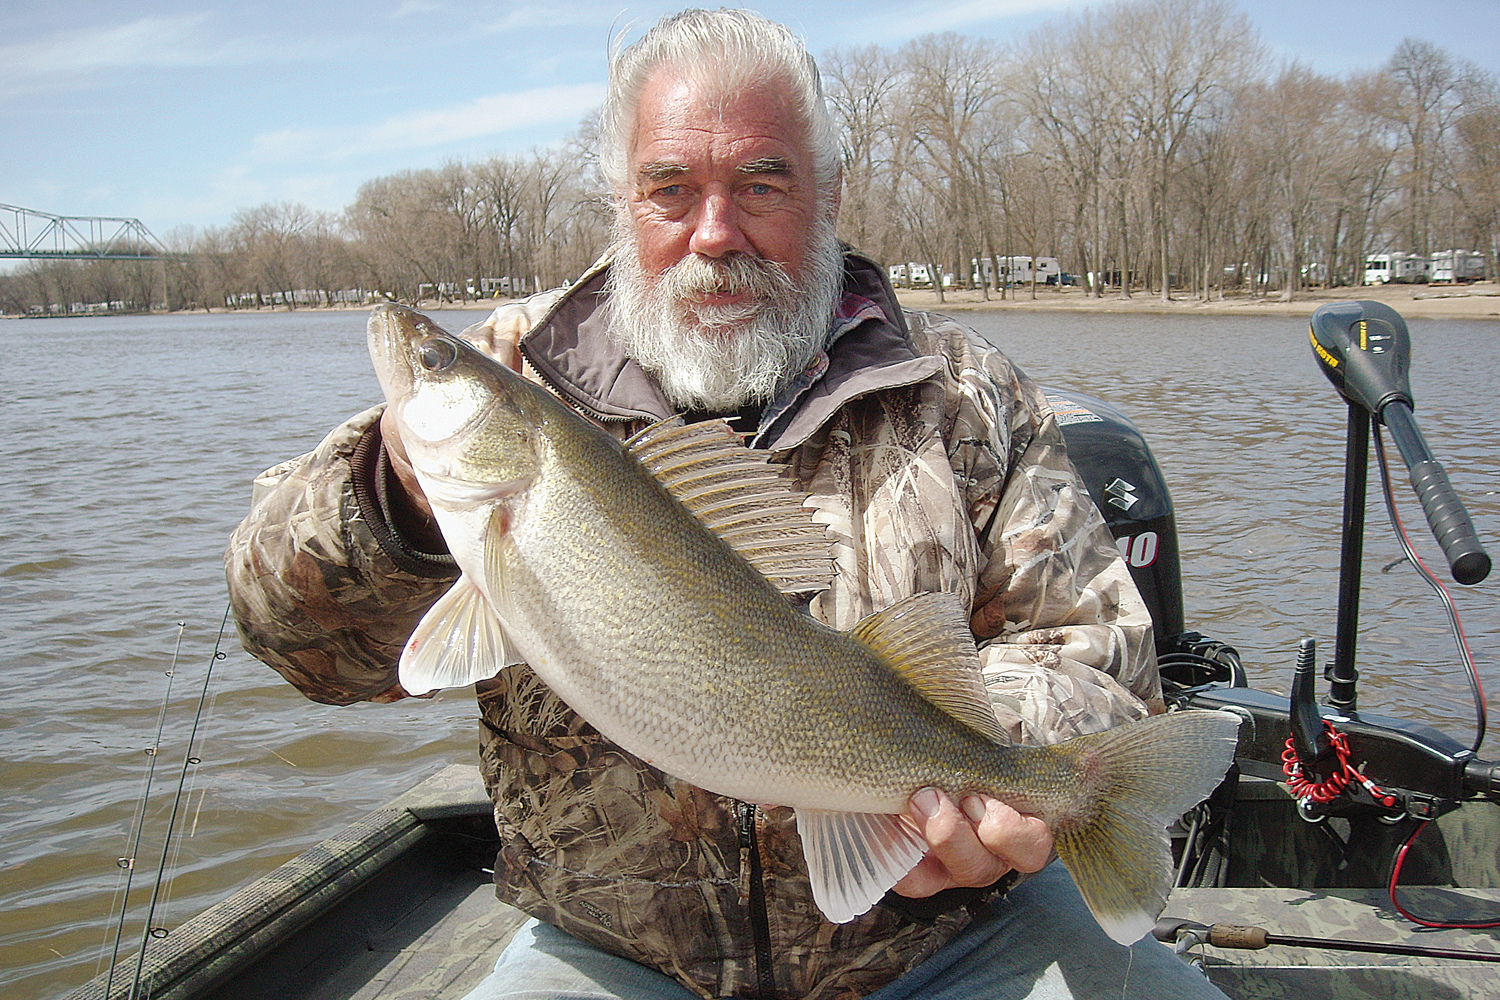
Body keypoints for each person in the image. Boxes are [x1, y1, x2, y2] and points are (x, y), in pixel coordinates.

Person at [226, 10, 1228, 1000]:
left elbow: (1095, 646)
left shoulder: (965, 392)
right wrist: (393, 494)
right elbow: (294, 636)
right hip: (614, 957)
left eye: (760, 183)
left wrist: (985, 790)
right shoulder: (517, 376)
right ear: (622, 201)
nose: (715, 232)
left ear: (829, 193)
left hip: (949, 936)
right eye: (671, 190)